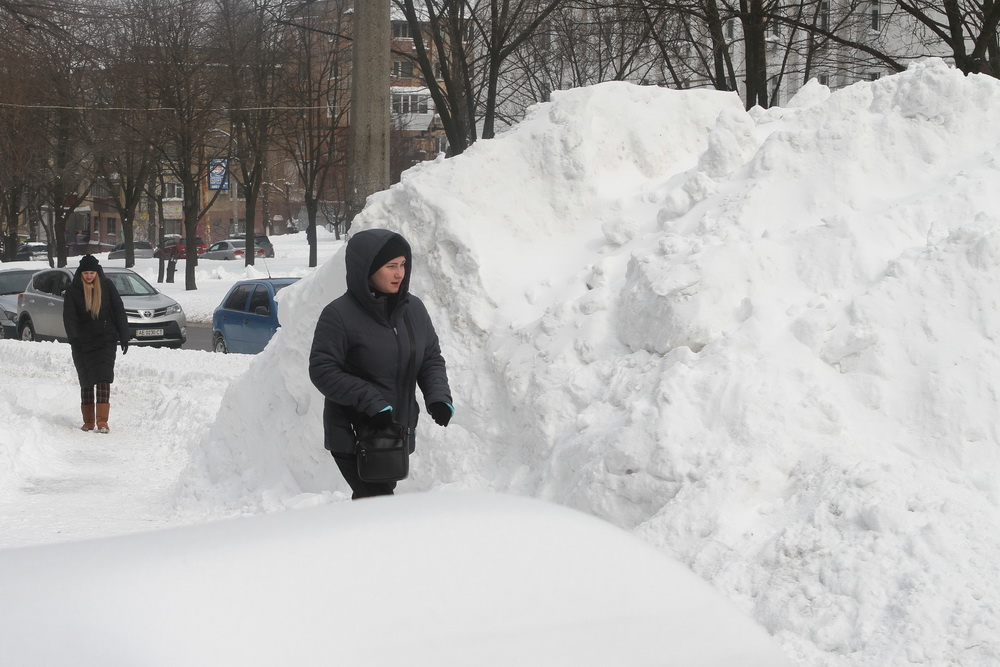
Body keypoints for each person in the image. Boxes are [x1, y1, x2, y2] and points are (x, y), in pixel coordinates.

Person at [309, 229, 453, 499]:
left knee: (373, 507)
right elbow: (322, 369)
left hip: (396, 432)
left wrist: (437, 397)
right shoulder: (339, 315)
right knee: (378, 506)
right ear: (367, 269)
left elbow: (430, 358)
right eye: (390, 266)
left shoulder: (414, 310)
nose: (400, 274)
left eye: (402, 265)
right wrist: (371, 401)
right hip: (355, 434)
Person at [63, 254, 129, 433]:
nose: (89, 276)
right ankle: (88, 421)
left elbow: (118, 310)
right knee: (86, 380)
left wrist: (124, 336)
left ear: (97, 272)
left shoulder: (107, 286)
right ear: (81, 273)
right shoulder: (73, 291)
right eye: (86, 273)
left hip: (105, 339)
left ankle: (102, 421)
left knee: (103, 378)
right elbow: (69, 318)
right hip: (83, 342)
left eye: (92, 272)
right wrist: (74, 339)